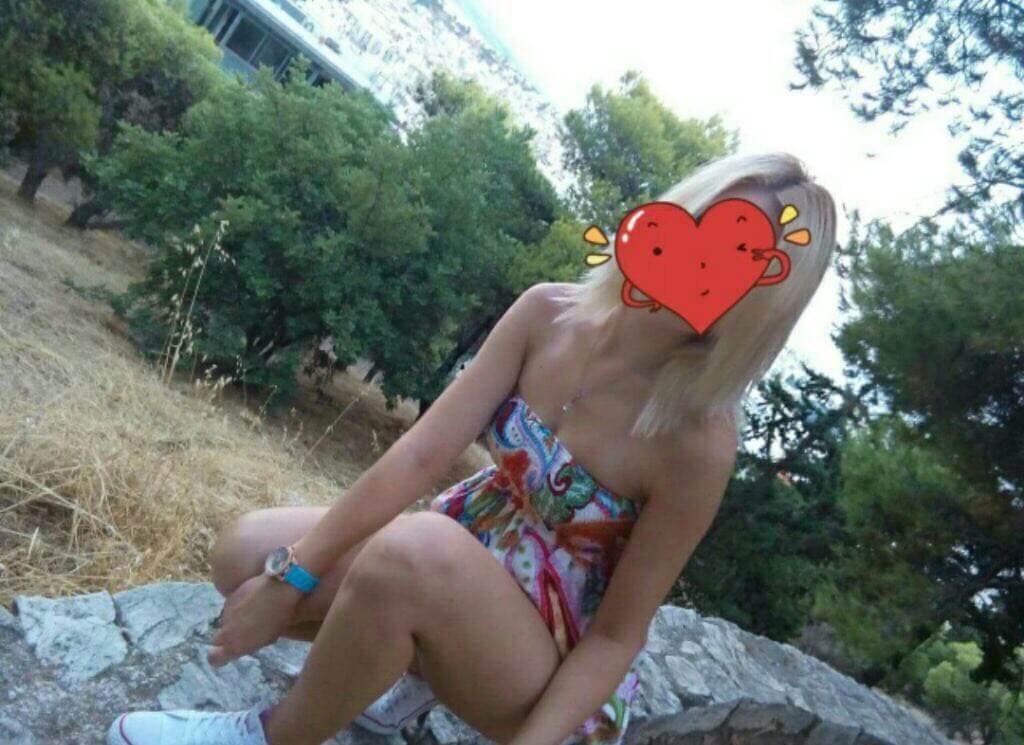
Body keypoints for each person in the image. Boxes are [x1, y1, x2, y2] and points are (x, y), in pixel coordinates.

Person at [107, 151, 838, 745]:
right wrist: (289, 577)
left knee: (413, 552)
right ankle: (405, 667)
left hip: (542, 657)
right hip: (465, 551)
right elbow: (422, 454)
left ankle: (271, 736)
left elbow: (618, 635)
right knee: (247, 555)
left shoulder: (697, 439)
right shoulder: (548, 313)